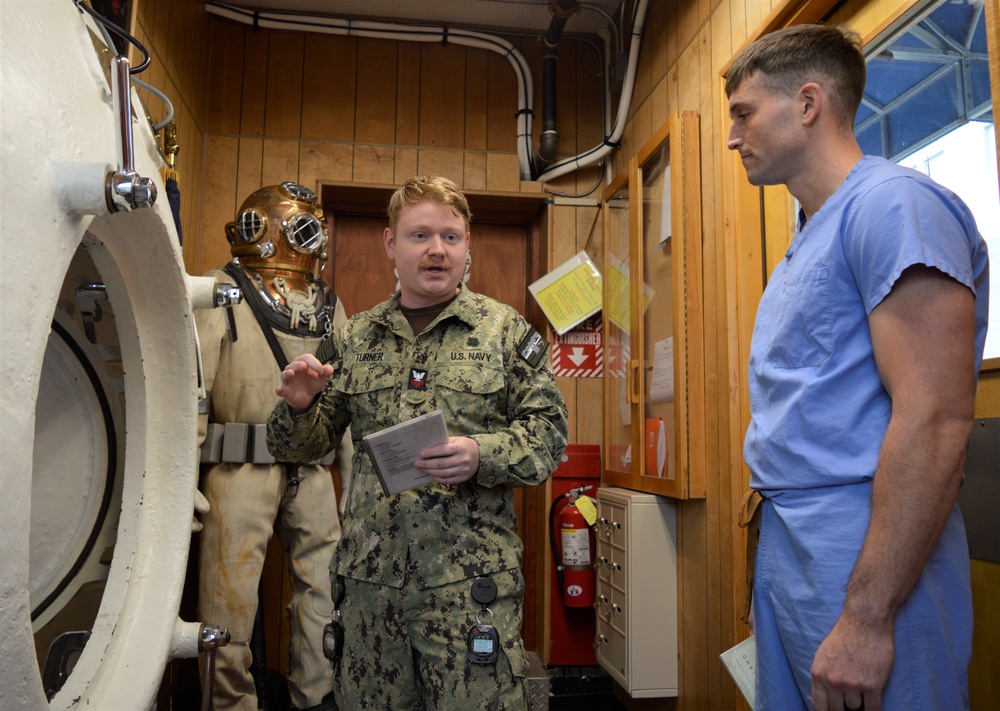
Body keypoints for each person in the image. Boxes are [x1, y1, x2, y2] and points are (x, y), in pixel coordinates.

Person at [726, 23, 990, 711]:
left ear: (807, 103)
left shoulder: (893, 206)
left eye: (743, 113)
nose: (733, 136)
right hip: (795, 543)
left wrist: (868, 615)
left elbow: (934, 418)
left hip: (865, 541)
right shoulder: (810, 232)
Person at [266, 175, 569, 710]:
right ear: (390, 244)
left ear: (467, 245)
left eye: (451, 237)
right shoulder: (355, 339)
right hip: (370, 591)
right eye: (419, 235)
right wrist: (299, 406)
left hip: (468, 589)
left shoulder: (503, 333)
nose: (437, 250)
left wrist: (483, 454)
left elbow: (549, 437)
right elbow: (300, 449)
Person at [196, 182, 352, 711]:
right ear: (261, 233)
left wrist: (353, 489)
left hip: (311, 470)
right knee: (228, 606)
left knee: (324, 596)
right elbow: (192, 395)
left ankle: (317, 698)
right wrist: (180, 491)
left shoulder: (329, 306)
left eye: (313, 229)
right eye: (301, 228)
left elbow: (347, 405)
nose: (310, 240)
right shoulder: (222, 292)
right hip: (238, 469)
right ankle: (230, 704)